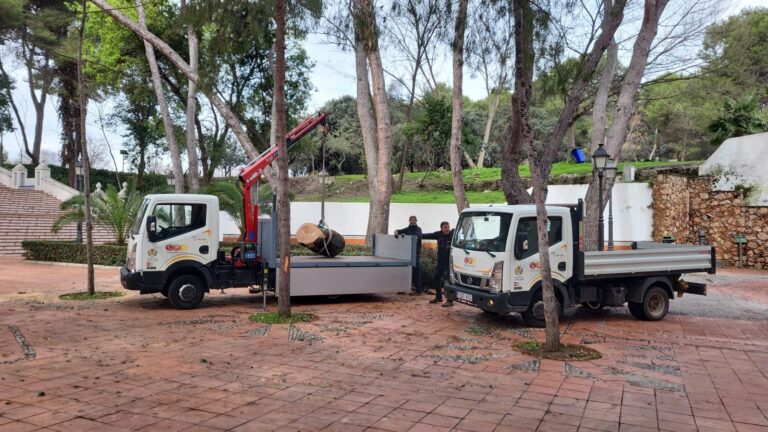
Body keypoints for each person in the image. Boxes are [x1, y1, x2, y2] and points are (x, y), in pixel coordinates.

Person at [422, 221, 454, 307]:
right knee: (436, 278)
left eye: (448, 227)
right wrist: (417, 235)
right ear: (441, 228)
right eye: (445, 227)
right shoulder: (438, 234)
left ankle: (450, 300)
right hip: (441, 261)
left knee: (448, 280)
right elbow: (426, 235)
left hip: (449, 262)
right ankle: (439, 297)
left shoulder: (452, 234)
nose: (447, 229)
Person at [395, 216, 424, 294]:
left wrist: (406, 237)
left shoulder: (418, 229)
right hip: (407, 254)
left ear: (416, 221)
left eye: (414, 220)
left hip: (416, 254)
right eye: (411, 220)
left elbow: (418, 236)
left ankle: (418, 290)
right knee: (405, 270)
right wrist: (396, 233)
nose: (412, 221)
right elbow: (397, 231)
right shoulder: (407, 229)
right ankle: (403, 288)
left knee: (416, 271)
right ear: (409, 221)